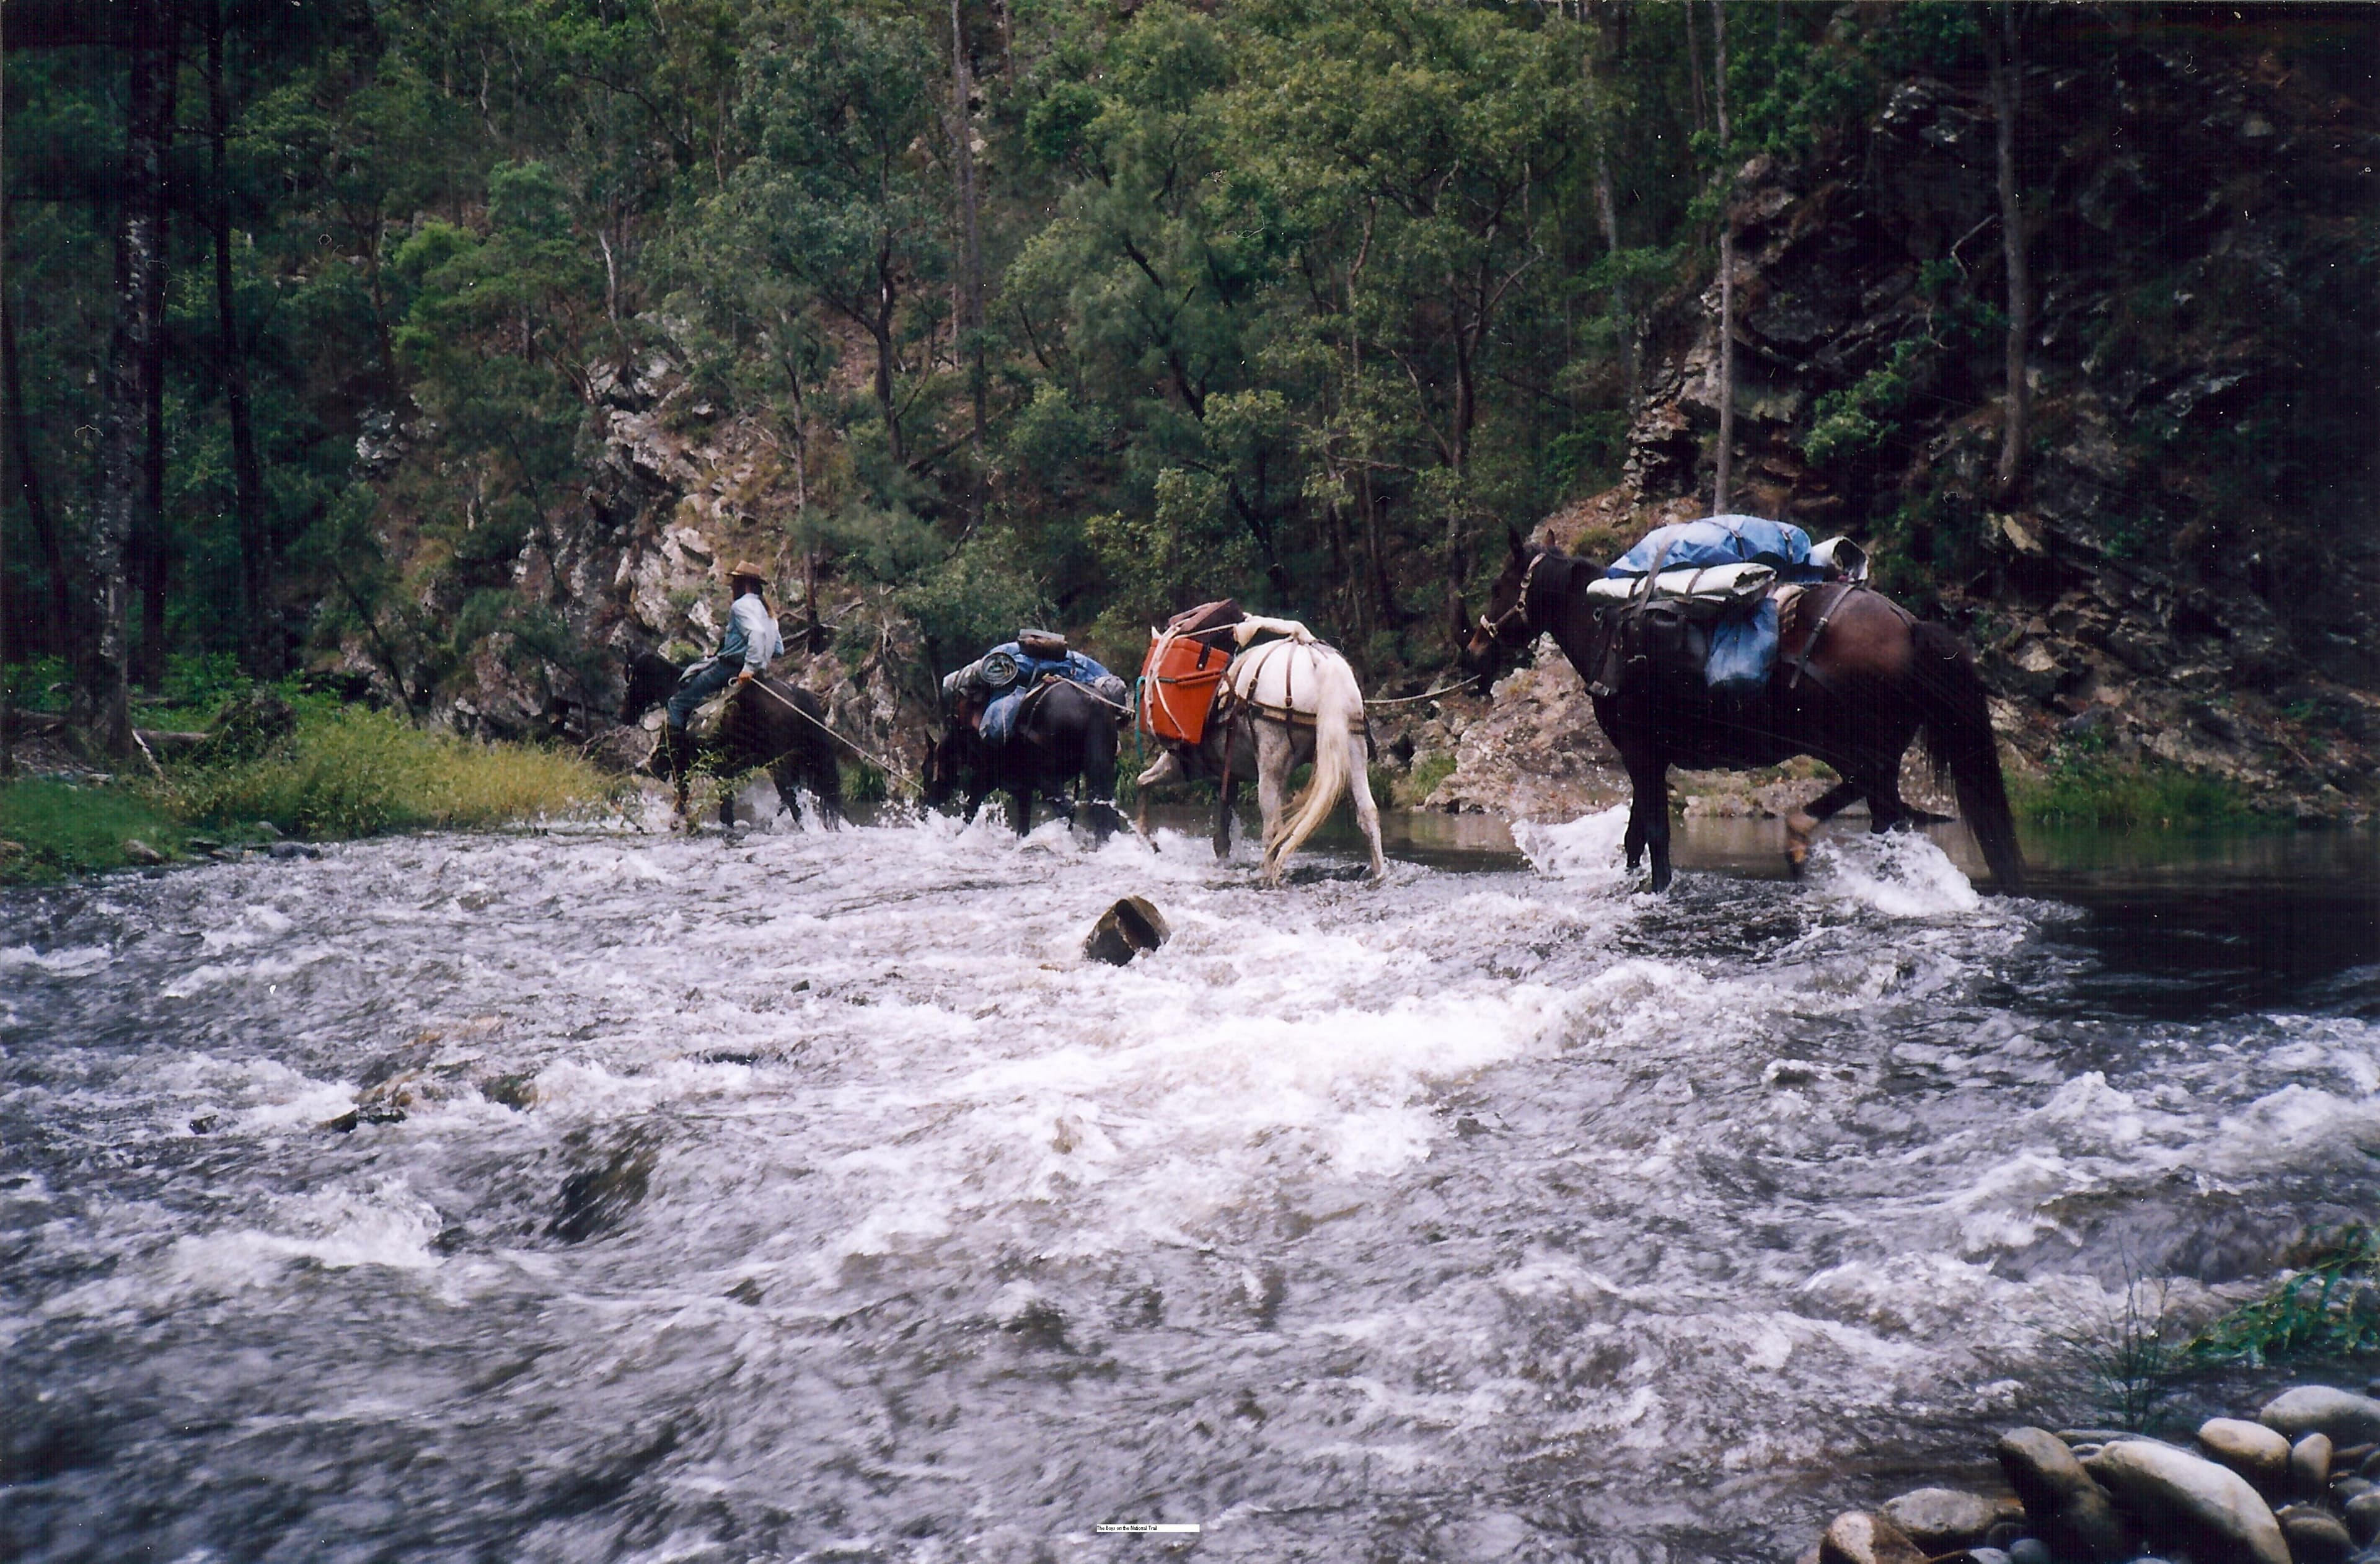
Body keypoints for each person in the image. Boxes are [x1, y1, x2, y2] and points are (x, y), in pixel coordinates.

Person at [667, 562, 785, 733]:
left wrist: (748, 668)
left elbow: (757, 633)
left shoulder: (740, 606)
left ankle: (675, 754)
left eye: (735, 582)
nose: (732, 587)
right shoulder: (768, 612)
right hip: (761, 673)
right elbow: (778, 650)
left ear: (744, 584)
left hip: (729, 670)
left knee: (677, 703)